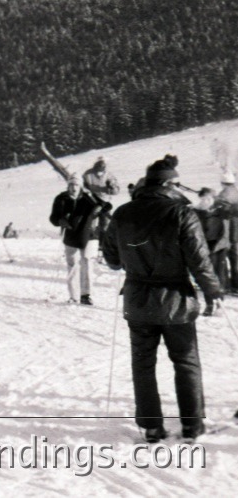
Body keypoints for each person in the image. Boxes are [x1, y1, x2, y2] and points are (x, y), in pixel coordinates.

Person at [100, 156, 223, 443]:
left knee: (143, 363)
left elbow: (112, 260)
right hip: (176, 299)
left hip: (138, 299)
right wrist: (213, 291)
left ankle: (152, 427)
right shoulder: (182, 214)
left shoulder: (123, 213)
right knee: (186, 361)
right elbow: (200, 260)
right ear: (169, 184)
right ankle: (192, 426)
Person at [50, 176, 102, 305]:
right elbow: (53, 218)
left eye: (76, 185)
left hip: (89, 235)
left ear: (81, 186)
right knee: (72, 264)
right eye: (71, 185)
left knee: (87, 263)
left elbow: (105, 206)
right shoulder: (61, 199)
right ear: (67, 186)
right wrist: (60, 220)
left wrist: (97, 208)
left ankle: (86, 294)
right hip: (71, 235)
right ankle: (73, 296)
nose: (73, 188)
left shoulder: (88, 197)